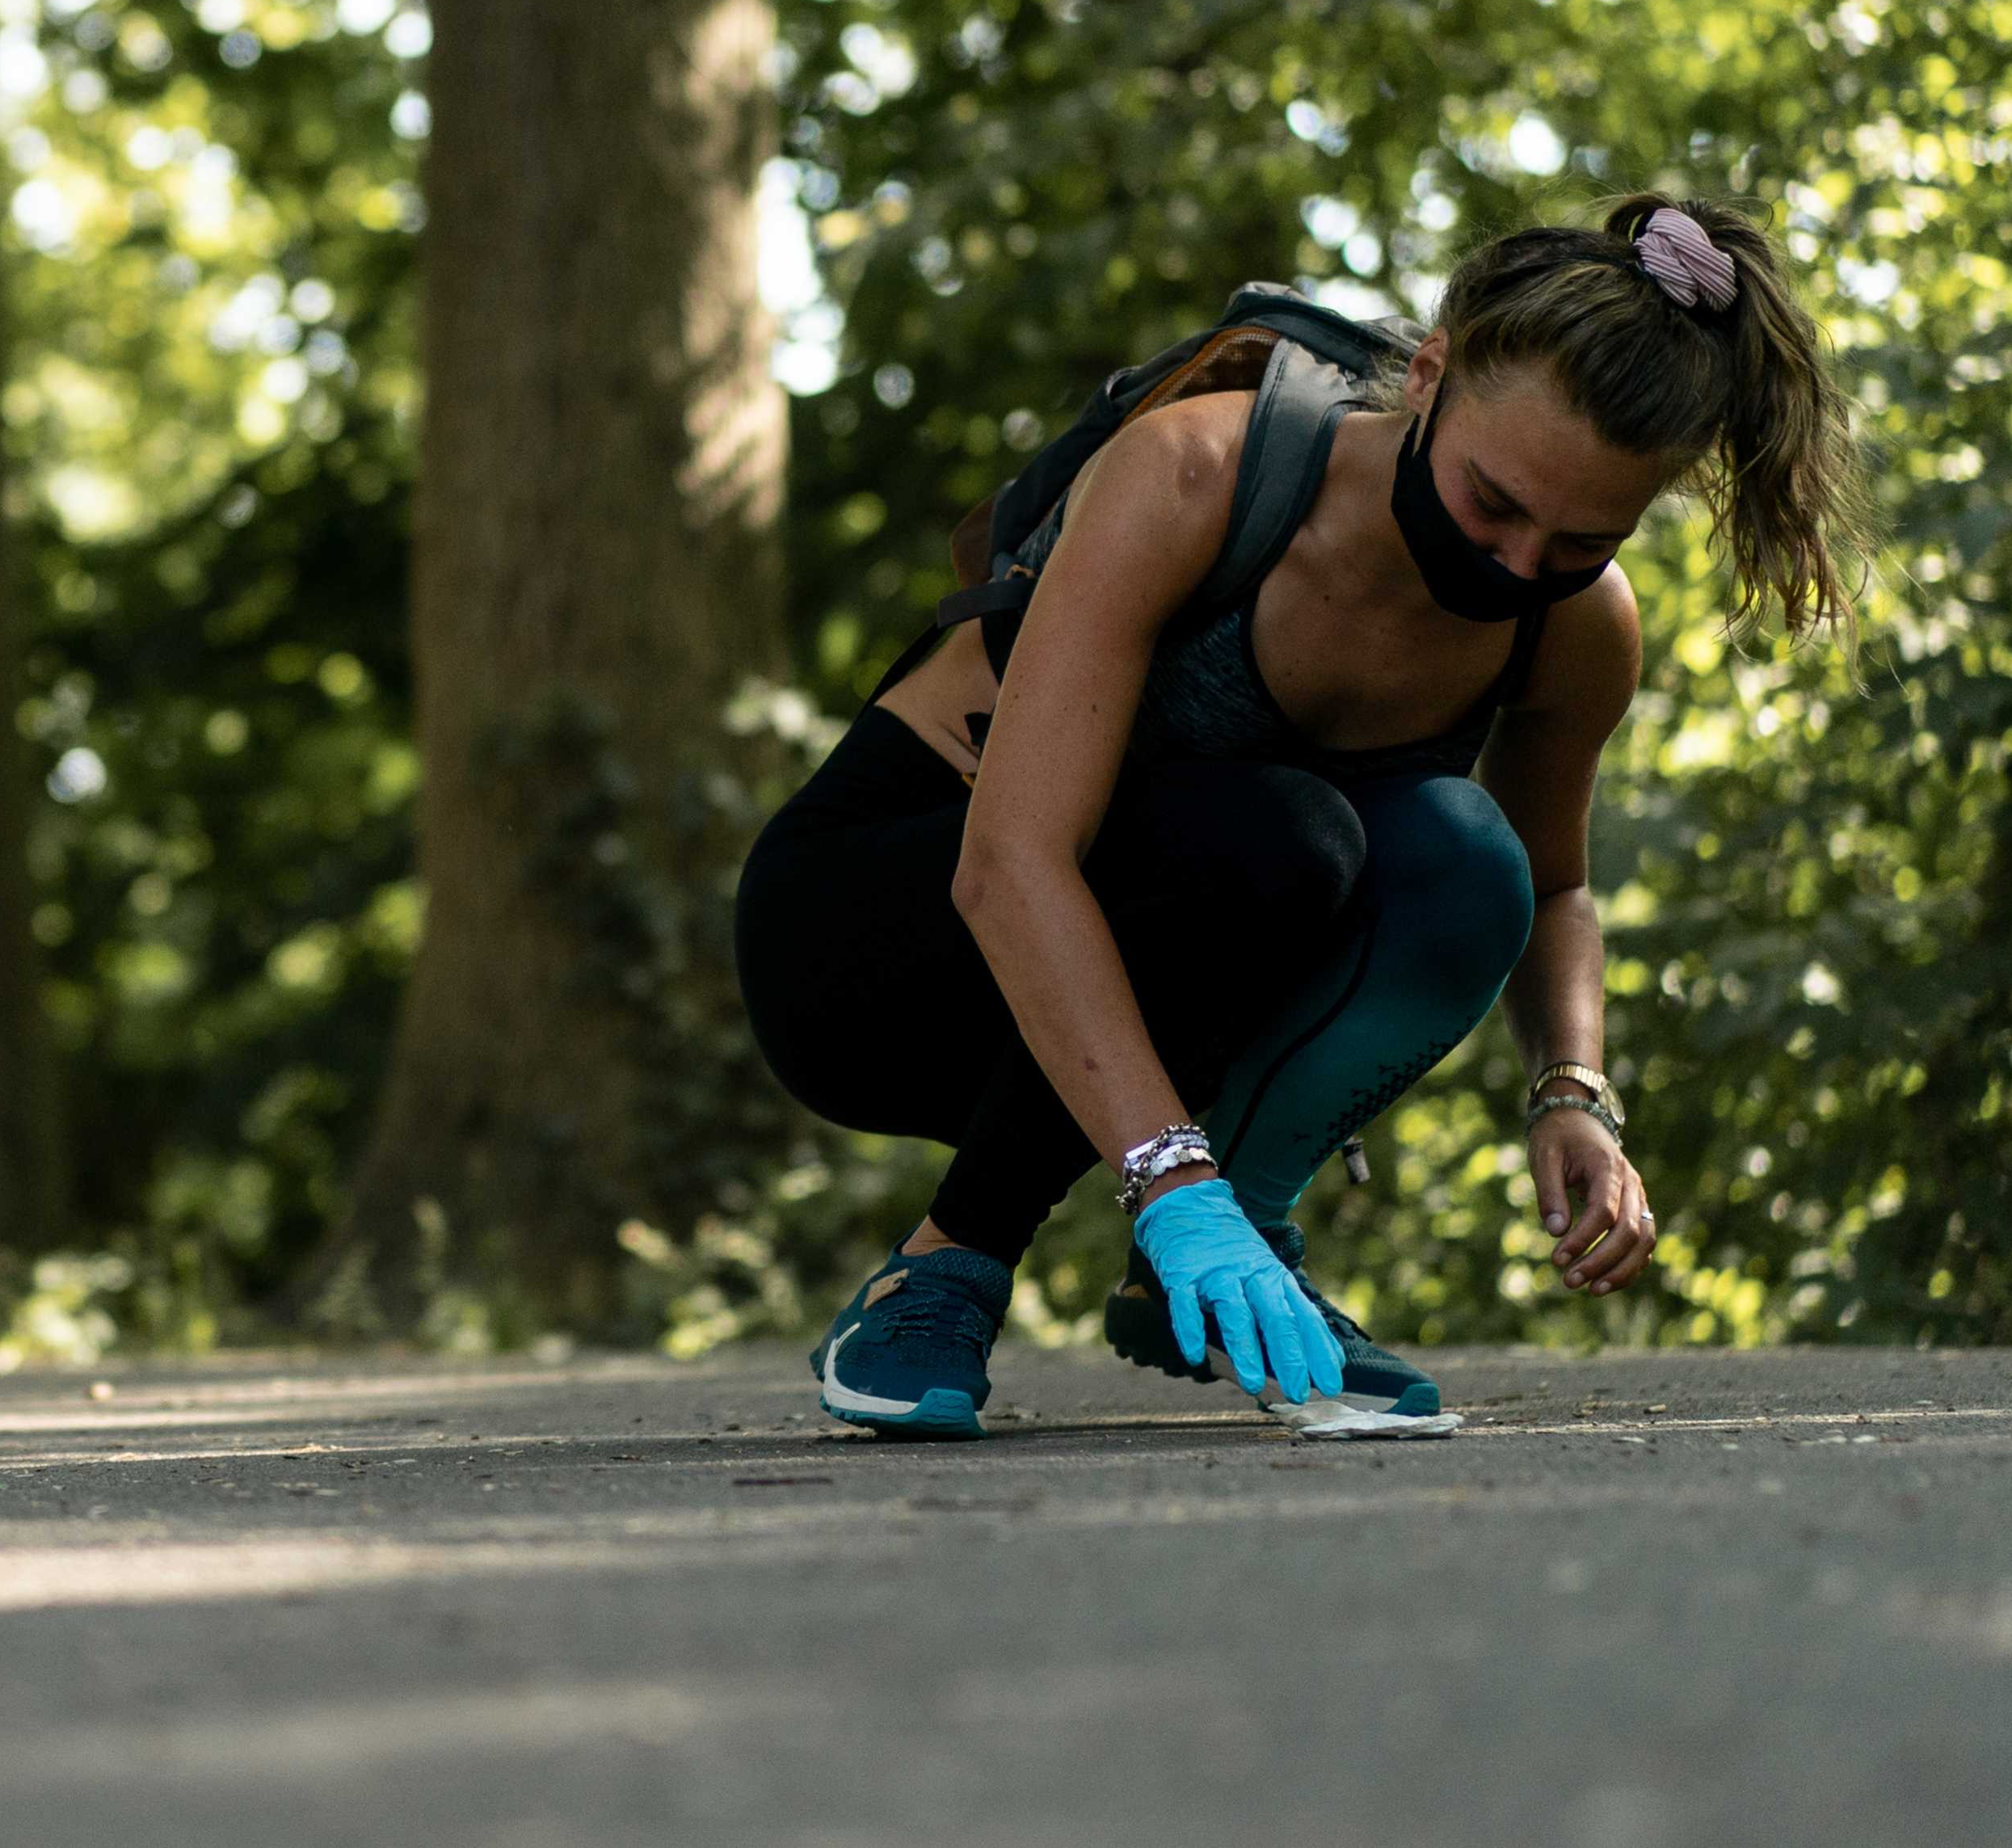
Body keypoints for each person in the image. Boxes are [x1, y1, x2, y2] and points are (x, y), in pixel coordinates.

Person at [736, 194, 1861, 1438]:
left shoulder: (1576, 629)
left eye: (1579, 541)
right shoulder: (1200, 476)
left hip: (1145, 998)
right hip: (874, 948)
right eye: (1493, 504)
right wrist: (1172, 1180)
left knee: (1464, 860)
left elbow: (1548, 888)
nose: (1516, 562)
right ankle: (943, 1265)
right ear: (1428, 376)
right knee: (1283, 842)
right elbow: (1010, 863)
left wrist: (1573, 1093)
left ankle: (1221, 1265)